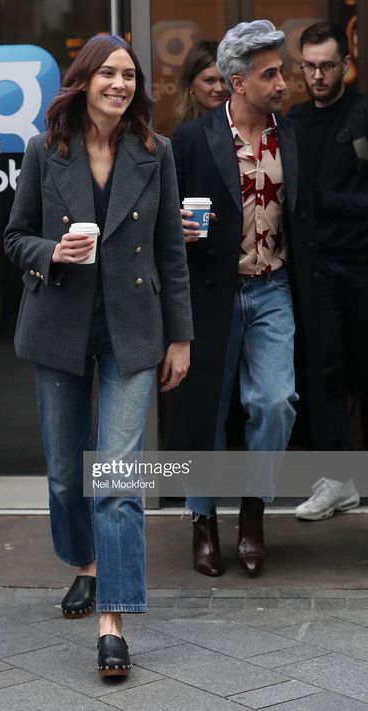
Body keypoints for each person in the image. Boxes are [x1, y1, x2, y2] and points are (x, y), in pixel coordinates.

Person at [4, 34, 193, 678]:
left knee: (116, 478)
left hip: (131, 331)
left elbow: (172, 250)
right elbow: (14, 237)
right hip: (59, 325)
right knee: (65, 473)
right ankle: (84, 563)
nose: (121, 84)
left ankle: (113, 622)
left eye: (130, 75)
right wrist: (51, 253)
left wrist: (181, 337)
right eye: (108, 73)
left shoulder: (155, 153)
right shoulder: (43, 151)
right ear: (83, 81)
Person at [167, 20, 324, 577]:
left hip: (274, 287)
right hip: (212, 290)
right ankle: (203, 520)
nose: (284, 81)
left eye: (282, 70)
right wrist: (178, 231)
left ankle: (253, 511)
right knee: (206, 409)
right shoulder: (191, 139)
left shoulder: (292, 134)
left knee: (275, 402)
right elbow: (168, 219)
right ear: (238, 83)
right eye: (271, 73)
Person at [287, 21, 367, 521]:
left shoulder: (362, 117)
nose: (317, 75)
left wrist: (322, 203)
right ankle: (338, 482)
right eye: (309, 66)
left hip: (361, 265)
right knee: (325, 375)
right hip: (314, 269)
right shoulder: (293, 121)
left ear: (344, 64)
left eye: (326, 66)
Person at [168, 39, 229, 134]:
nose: (219, 88)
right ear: (190, 84)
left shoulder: (241, 127)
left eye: (224, 80)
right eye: (209, 80)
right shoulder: (178, 130)